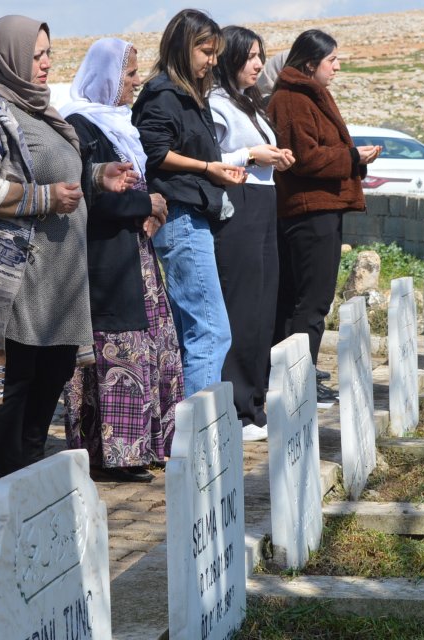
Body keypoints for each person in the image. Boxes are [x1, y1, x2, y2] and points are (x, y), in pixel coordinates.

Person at [0, 15, 137, 480]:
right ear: (8, 57)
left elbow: (54, 175)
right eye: (36, 55)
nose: (47, 63)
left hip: (57, 282)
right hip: (17, 281)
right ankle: (13, 486)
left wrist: (95, 177)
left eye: (48, 53)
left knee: (50, 378)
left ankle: (30, 482)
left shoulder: (34, 109)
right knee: (16, 386)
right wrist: (46, 199)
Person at [59, 38, 185, 483]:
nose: (135, 82)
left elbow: (142, 189)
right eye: (128, 75)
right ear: (108, 79)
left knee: (147, 347)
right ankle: (108, 453)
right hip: (105, 262)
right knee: (115, 353)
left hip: (136, 256)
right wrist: (142, 206)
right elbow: (87, 199)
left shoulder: (119, 126)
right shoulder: (80, 127)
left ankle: (139, 448)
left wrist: (154, 206)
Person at [133, 9, 246, 398]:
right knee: (211, 331)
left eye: (216, 54)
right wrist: (207, 168)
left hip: (192, 214)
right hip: (180, 217)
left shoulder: (188, 93)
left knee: (193, 331)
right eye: (206, 52)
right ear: (184, 47)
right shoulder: (164, 93)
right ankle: (201, 440)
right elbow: (155, 152)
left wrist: (214, 170)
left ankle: (185, 436)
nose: (212, 61)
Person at [266, 29, 379, 401]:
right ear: (311, 62)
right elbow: (305, 158)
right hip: (309, 210)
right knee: (310, 299)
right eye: (332, 60)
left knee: (307, 297)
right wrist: (352, 158)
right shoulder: (291, 100)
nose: (338, 66)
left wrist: (352, 158)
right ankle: (300, 378)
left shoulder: (309, 95)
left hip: (321, 208)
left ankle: (298, 372)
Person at [210, 25, 294, 441]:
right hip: (237, 203)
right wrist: (251, 154)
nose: (258, 64)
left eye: (261, 56)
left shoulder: (251, 103)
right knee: (240, 303)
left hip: (264, 200)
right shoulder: (214, 103)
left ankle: (255, 400)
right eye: (249, 57)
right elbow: (209, 157)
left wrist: (275, 156)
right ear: (228, 60)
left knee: (264, 301)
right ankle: (236, 406)